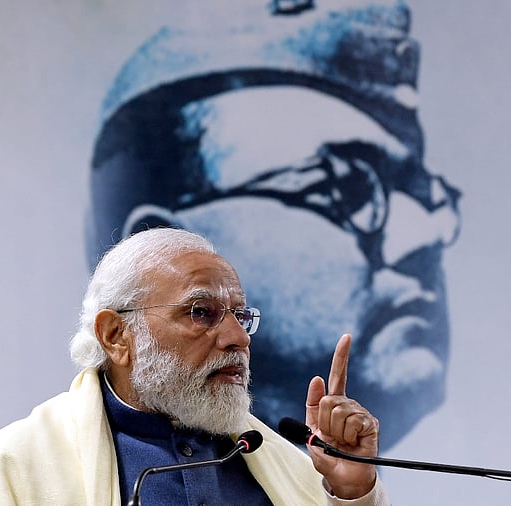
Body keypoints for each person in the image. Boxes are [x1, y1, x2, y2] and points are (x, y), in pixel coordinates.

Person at [87, 0, 462, 449]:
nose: (422, 237)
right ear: (156, 241)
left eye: (428, 199)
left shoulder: (306, 476)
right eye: (348, 190)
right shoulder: (24, 472)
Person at [0, 228, 389, 505]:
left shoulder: (275, 461)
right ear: (116, 336)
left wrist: (352, 493)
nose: (237, 338)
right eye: (200, 312)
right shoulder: (17, 465)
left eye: (241, 316)